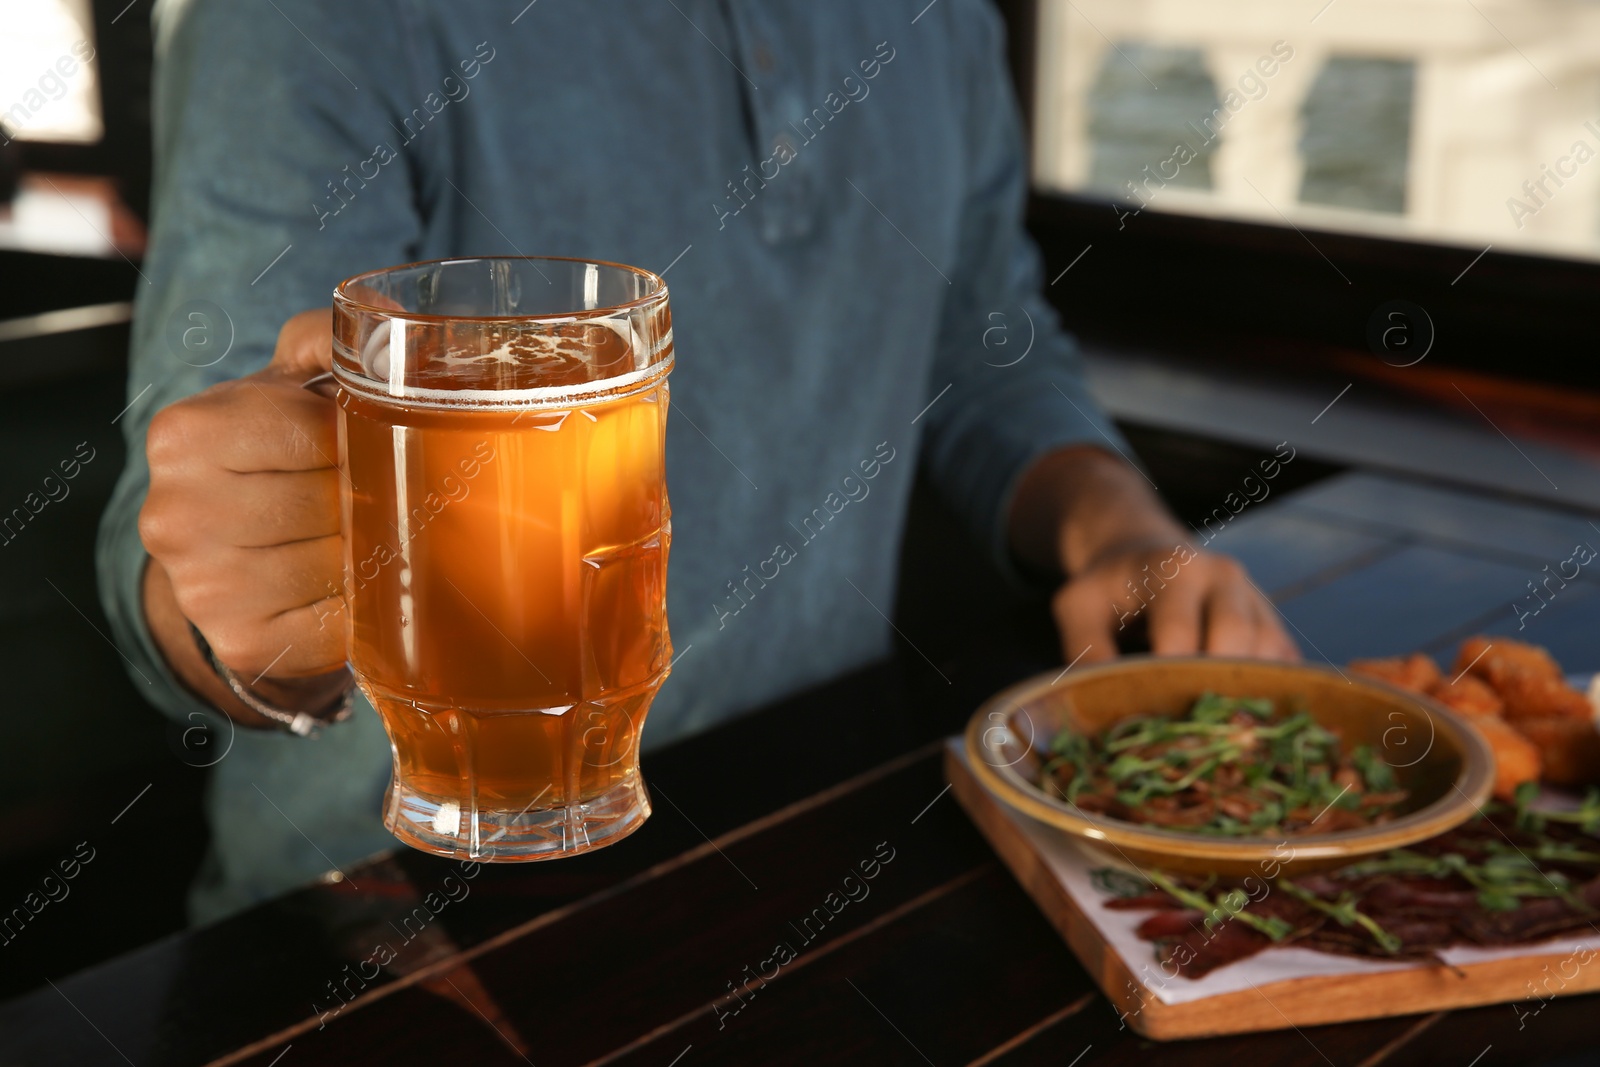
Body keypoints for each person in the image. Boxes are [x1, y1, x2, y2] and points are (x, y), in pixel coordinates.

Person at [99, 0, 1295, 923]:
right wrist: (243, 624)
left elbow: (987, 341)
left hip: (816, 832)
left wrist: (1123, 529)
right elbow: (191, 519)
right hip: (389, 907)